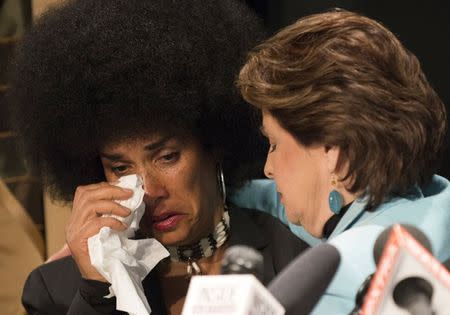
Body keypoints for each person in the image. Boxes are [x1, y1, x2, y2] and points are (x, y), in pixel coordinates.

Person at [8, 0, 309, 314]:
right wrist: (96, 293)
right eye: (120, 167)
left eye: (167, 157)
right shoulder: (57, 291)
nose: (149, 191)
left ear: (215, 142)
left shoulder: (291, 261)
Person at [235, 9, 450, 314]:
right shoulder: (434, 202)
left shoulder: (337, 283)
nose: (268, 168)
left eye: (274, 144)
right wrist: (221, 188)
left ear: (333, 151)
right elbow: (280, 200)